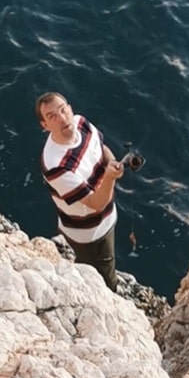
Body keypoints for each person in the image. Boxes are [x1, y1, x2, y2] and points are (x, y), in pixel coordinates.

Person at [36, 91, 123, 291]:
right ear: (45, 126)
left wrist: (113, 163)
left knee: (100, 266)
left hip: (106, 219)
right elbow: (96, 203)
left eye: (63, 110)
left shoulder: (82, 124)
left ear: (70, 108)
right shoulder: (55, 165)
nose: (62, 118)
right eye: (52, 117)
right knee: (103, 275)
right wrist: (110, 177)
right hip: (89, 234)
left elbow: (102, 148)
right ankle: (111, 299)